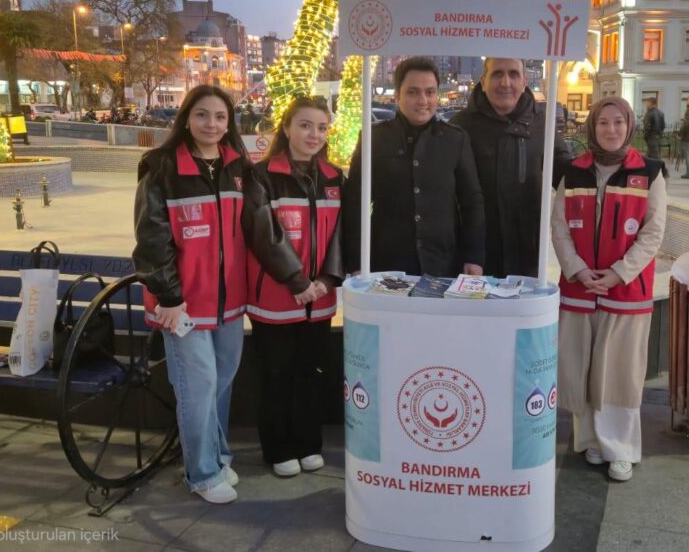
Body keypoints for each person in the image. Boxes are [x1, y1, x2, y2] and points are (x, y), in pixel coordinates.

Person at [133, 85, 257, 504]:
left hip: (229, 300)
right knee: (199, 383)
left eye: (220, 117)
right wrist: (168, 297)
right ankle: (201, 473)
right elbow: (151, 238)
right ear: (186, 117)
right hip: (181, 302)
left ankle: (218, 456)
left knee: (222, 380)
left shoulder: (238, 166)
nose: (212, 125)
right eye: (203, 115)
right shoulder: (161, 166)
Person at [553, 96, 666, 482]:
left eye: (619, 122)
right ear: (592, 127)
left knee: (618, 371)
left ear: (630, 126)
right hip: (580, 289)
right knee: (582, 366)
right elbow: (560, 229)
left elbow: (653, 234)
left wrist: (619, 273)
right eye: (603, 122)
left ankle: (621, 448)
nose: (611, 129)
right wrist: (578, 270)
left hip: (626, 291)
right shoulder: (574, 172)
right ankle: (590, 442)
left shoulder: (649, 172)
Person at [242, 97, 344, 478]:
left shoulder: (335, 177)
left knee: (310, 374)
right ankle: (279, 448)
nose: (313, 134)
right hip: (276, 298)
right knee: (276, 375)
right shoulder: (262, 175)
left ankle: (307, 443)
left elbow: (341, 235)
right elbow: (262, 232)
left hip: (319, 300)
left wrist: (327, 280)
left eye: (321, 127)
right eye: (305, 125)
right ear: (286, 128)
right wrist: (297, 281)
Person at [344, 57, 484, 276]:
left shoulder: (455, 139)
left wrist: (474, 256)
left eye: (430, 92)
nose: (423, 100)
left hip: (442, 262)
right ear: (397, 95)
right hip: (387, 263)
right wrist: (356, 261)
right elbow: (355, 203)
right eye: (413, 92)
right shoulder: (374, 139)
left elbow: (472, 201)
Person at [450, 57, 572, 277]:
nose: (505, 82)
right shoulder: (461, 126)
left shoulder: (540, 123)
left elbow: (568, 176)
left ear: (524, 81)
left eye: (513, 74)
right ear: (483, 81)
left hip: (526, 253)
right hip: (475, 256)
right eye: (497, 74)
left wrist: (607, 166)